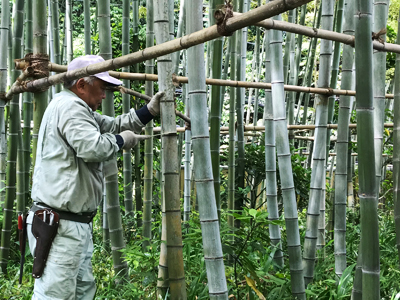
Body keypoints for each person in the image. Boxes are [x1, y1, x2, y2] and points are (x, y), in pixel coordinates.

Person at [26, 55, 163, 300]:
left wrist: (149, 111)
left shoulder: (78, 108)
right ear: (81, 85)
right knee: (55, 295)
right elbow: (93, 148)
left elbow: (114, 125)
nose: (104, 96)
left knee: (80, 292)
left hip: (72, 223)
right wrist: (122, 141)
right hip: (61, 224)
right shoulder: (70, 107)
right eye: (101, 89)